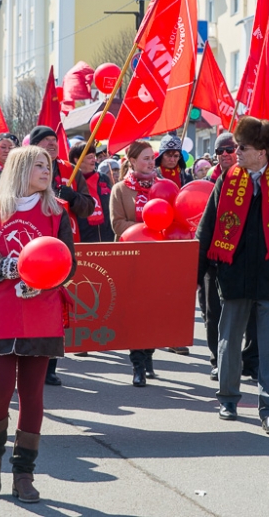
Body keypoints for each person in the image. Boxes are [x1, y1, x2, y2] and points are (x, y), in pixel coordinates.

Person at [0, 145, 76, 503]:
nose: (47, 171)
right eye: (40, 165)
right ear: (19, 169)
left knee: (33, 396)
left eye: (49, 166)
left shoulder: (57, 213)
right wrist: (7, 268)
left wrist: (45, 280)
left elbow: (69, 263)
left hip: (41, 313)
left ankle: (24, 473)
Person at [196, 117, 269, 437]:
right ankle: (228, 399)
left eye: (242, 147)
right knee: (229, 340)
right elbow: (207, 228)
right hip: (233, 275)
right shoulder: (226, 180)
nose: (236, 152)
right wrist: (197, 270)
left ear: (262, 152)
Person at [28, 125, 94, 386]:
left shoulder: (70, 171)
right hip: (32, 246)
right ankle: (28, 360)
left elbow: (89, 206)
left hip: (63, 247)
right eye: (45, 141)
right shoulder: (24, 169)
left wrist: (73, 197)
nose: (52, 145)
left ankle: (50, 365)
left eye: (54, 140)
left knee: (56, 309)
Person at [198, 130, 260, 380]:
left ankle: (251, 361)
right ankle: (218, 359)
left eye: (230, 149)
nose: (225, 154)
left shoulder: (256, 179)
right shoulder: (209, 180)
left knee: (253, 314)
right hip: (215, 258)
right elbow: (203, 224)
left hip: (246, 259)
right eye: (219, 151)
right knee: (213, 313)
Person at [110, 140, 162, 386]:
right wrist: (148, 228)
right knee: (136, 312)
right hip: (131, 258)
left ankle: (149, 354)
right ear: (131, 161)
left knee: (154, 312)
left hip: (157, 259)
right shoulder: (121, 189)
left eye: (152, 157)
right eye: (145, 158)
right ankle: (137, 365)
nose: (151, 162)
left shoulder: (164, 187)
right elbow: (118, 224)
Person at [69, 143, 113, 243]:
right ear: (77, 160)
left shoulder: (104, 178)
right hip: (83, 240)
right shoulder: (71, 181)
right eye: (90, 157)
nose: (94, 160)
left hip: (107, 237)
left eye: (94, 157)